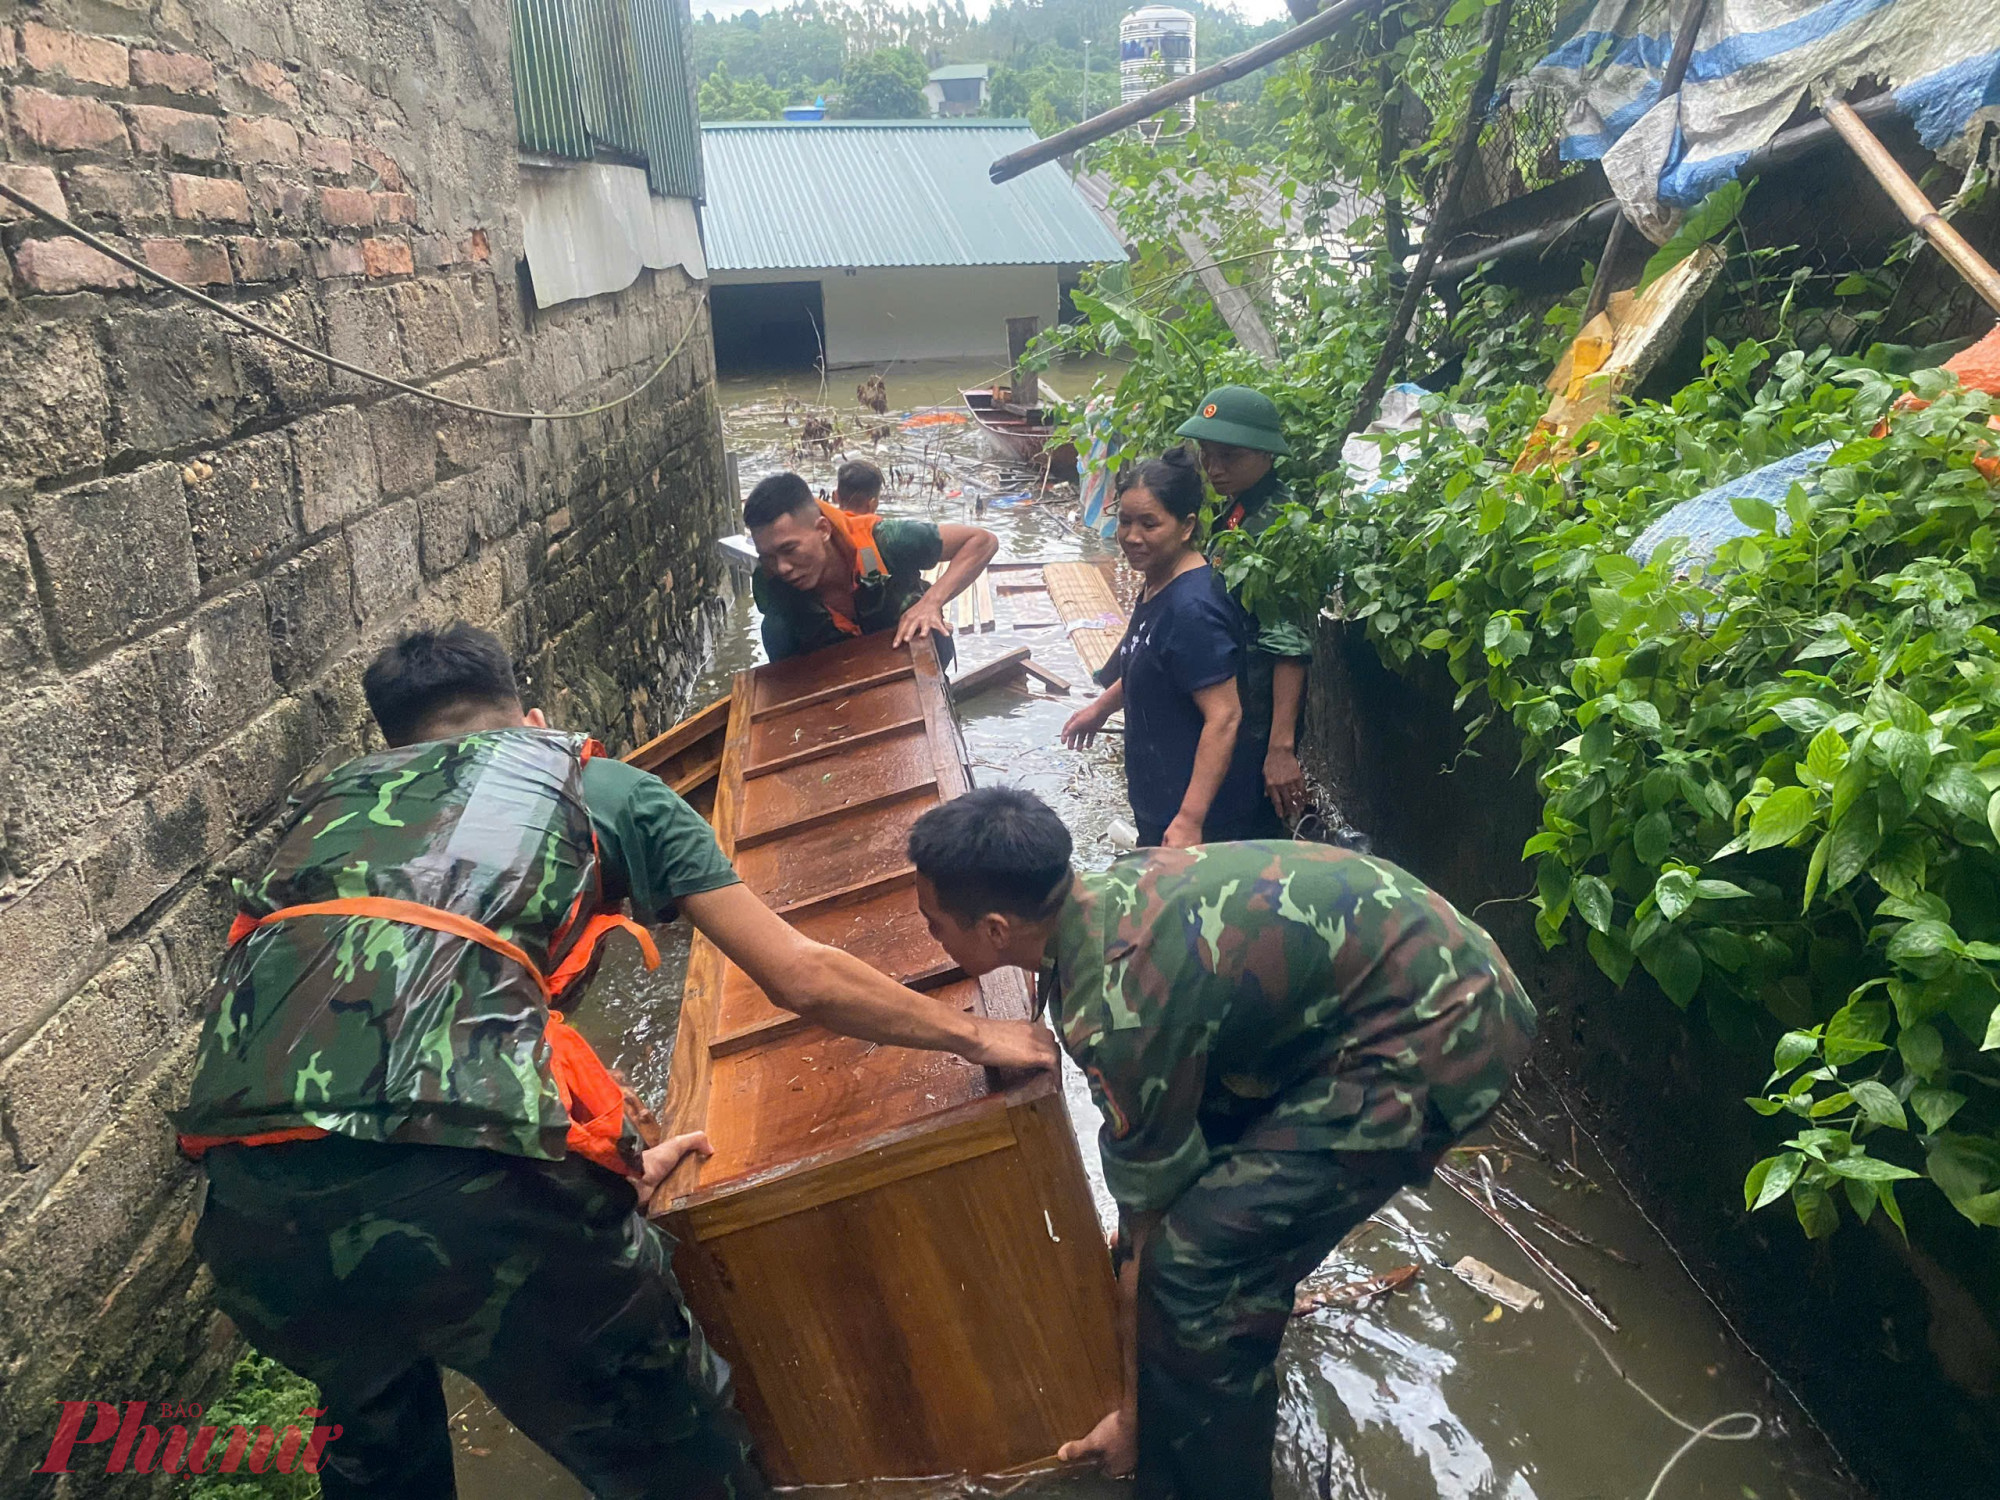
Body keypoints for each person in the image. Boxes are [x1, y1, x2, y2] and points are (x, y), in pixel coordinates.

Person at [172, 624, 1055, 1500]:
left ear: (391, 746)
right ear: (530, 717)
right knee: (672, 1454)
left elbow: (409, 1026)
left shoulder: (328, 814)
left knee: (378, 1457)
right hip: (472, 1199)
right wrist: (980, 1036)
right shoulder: (597, 786)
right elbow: (802, 977)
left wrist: (606, 1160)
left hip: (251, 1217)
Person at [906, 787, 1537, 1500]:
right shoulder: (1110, 891)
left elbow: (1151, 1236)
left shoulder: (1116, 1012)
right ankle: (1225, 1364)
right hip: (1406, 978)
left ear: (995, 930)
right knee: (1197, 1236)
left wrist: (1133, 1418)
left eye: (934, 926)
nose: (931, 937)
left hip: (1442, 1031)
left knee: (1193, 1274)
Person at [1058, 449, 1266, 847]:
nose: (1132, 537)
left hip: (1203, 819)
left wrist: (1189, 819)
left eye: (1149, 524)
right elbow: (1149, 664)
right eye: (1125, 521)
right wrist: (1099, 709)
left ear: (1186, 526)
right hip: (1162, 801)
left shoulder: (1193, 610)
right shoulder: (1157, 580)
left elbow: (1224, 717)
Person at [1176, 386, 1314, 831]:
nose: (1214, 469)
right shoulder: (1240, 512)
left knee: (1246, 841)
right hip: (1234, 708)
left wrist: (1280, 749)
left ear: (1265, 455)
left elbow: (1289, 643)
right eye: (1207, 455)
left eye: (1229, 457)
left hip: (1255, 722)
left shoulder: (1277, 527)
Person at [745, 471, 997, 668]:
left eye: (789, 549)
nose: (782, 568)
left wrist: (931, 603)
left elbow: (982, 541)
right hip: (843, 687)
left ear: (822, 530)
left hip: (919, 669)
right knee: (775, 629)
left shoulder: (886, 541)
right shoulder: (778, 598)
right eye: (768, 557)